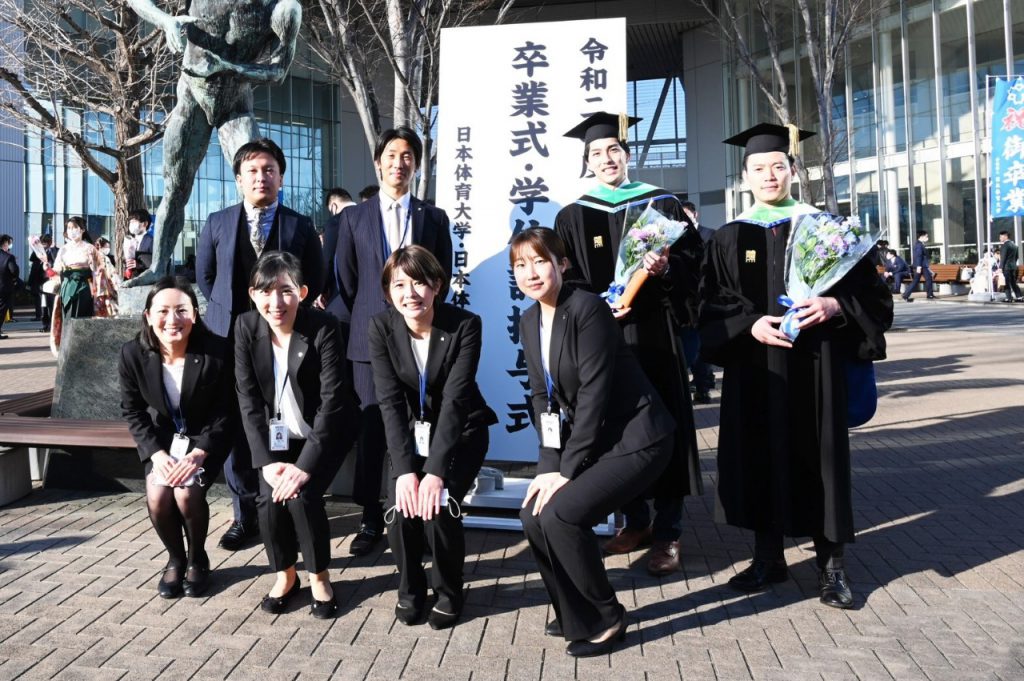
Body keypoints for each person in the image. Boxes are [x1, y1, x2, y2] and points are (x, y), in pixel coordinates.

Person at [700, 123, 893, 609]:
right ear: (745, 175)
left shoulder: (827, 229)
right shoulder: (728, 237)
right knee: (759, 457)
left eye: (778, 166)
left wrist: (834, 306)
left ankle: (832, 567)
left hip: (816, 369)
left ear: (792, 169)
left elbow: (875, 298)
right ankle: (768, 558)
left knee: (821, 462)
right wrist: (748, 325)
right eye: (759, 168)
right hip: (756, 370)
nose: (769, 175)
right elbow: (709, 306)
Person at [512, 227, 674, 657]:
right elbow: (542, 396)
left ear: (562, 264)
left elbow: (593, 395)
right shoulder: (529, 321)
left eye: (540, 261)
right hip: (601, 438)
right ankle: (574, 612)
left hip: (640, 436)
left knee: (563, 515)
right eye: (521, 265)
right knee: (533, 514)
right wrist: (548, 467)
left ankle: (606, 617)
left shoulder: (587, 309)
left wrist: (566, 472)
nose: (531, 272)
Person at [554, 112, 702, 576]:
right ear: (587, 162)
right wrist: (596, 304)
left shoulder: (663, 205)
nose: (607, 159)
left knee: (665, 425)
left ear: (627, 154)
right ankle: (635, 522)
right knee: (615, 429)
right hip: (605, 337)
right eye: (597, 153)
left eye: (614, 150)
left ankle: (669, 531)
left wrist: (667, 269)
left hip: (657, 334)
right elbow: (566, 280)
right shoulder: (573, 215)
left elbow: (696, 268)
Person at [196, 138, 324, 552]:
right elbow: (206, 277)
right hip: (229, 339)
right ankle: (244, 514)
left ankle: (286, 505)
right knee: (238, 423)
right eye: (251, 170)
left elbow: (316, 278)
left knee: (285, 418)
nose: (261, 177)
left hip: (284, 340)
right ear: (238, 179)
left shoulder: (300, 225)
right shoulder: (217, 222)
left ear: (281, 177)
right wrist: (237, 316)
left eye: (269, 169)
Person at [334, 127, 453, 556]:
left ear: (416, 165)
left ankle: (414, 515)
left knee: (419, 424)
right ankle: (371, 517)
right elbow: (346, 281)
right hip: (369, 343)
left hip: (421, 339)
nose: (398, 163)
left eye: (407, 156)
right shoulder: (353, 218)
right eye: (391, 155)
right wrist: (372, 319)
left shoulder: (433, 218)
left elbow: (442, 277)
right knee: (373, 430)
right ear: (378, 163)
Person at [124, 0, 300, 283]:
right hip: (192, 97)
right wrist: (165, 20)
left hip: (236, 105)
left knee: (256, 188)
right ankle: (158, 267)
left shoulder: (283, 9)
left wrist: (226, 67)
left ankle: (266, 271)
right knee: (175, 188)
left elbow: (278, 71)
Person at [369, 246, 497, 630]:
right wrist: (406, 471)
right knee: (399, 508)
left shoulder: (464, 325)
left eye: (419, 283)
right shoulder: (380, 327)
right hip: (409, 437)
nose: (410, 294)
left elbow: (456, 400)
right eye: (399, 285)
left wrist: (436, 472)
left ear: (437, 285)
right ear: (388, 291)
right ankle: (411, 589)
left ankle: (449, 591)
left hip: (462, 432)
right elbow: (390, 402)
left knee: (439, 507)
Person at [234, 252, 357, 619]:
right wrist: (267, 463)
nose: (276, 302)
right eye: (265, 291)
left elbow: (333, 402)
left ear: (302, 293)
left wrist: (303, 468)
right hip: (277, 438)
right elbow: (247, 399)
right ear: (253, 295)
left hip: (323, 434)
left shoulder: (324, 327)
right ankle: (285, 575)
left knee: (302, 498)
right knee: (268, 499)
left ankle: (319, 577)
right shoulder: (245, 327)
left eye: (286, 291)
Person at [119, 276, 232, 598]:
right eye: (163, 311)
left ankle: (197, 559)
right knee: (157, 495)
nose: (173, 319)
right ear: (148, 315)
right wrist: (157, 454)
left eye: (182, 310)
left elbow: (227, 411)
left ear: (194, 314)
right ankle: (175, 559)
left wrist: (199, 453)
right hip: (164, 441)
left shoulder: (217, 352)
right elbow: (133, 411)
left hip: (206, 439)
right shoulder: (133, 354)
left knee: (185, 493)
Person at [681, 201, 717, 403]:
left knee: (701, 345)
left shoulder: (710, 235)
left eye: (687, 215)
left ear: (695, 214)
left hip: (705, 297)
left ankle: (703, 386)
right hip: (686, 299)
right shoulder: (676, 237)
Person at [53, 217, 101, 321]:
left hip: (83, 286)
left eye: (74, 227)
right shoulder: (63, 249)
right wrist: (47, 267)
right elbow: (56, 270)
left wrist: (96, 291)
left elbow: (96, 271)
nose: (71, 231)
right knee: (67, 316)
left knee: (81, 317)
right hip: (67, 286)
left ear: (82, 229)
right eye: (69, 228)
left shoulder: (90, 248)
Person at [902, 231, 935, 301]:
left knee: (928, 279)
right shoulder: (919, 245)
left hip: (923, 266)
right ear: (921, 237)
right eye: (926, 236)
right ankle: (906, 294)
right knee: (916, 280)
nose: (927, 238)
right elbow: (918, 256)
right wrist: (919, 266)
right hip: (921, 266)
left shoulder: (920, 244)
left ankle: (930, 294)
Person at [0, 234, 20, 339]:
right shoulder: (8, 257)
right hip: (4, 287)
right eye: (8, 243)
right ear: (5, 243)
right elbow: (14, 271)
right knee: (2, 309)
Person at [123, 209, 151, 280]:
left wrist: (139, 265)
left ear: (145, 224)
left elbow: (155, 263)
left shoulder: (151, 241)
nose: (131, 224)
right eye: (130, 222)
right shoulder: (129, 240)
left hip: (144, 280)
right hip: (129, 279)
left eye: (134, 222)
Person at [997, 231, 1022, 302]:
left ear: (1006, 236)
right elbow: (1016, 257)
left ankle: (1009, 298)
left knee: (1006, 283)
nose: (999, 238)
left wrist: (1000, 267)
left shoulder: (1004, 245)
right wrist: (1013, 263)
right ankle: (1019, 297)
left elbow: (1003, 257)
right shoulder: (1014, 245)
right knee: (1013, 282)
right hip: (1013, 266)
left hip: (1006, 267)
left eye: (1001, 236)